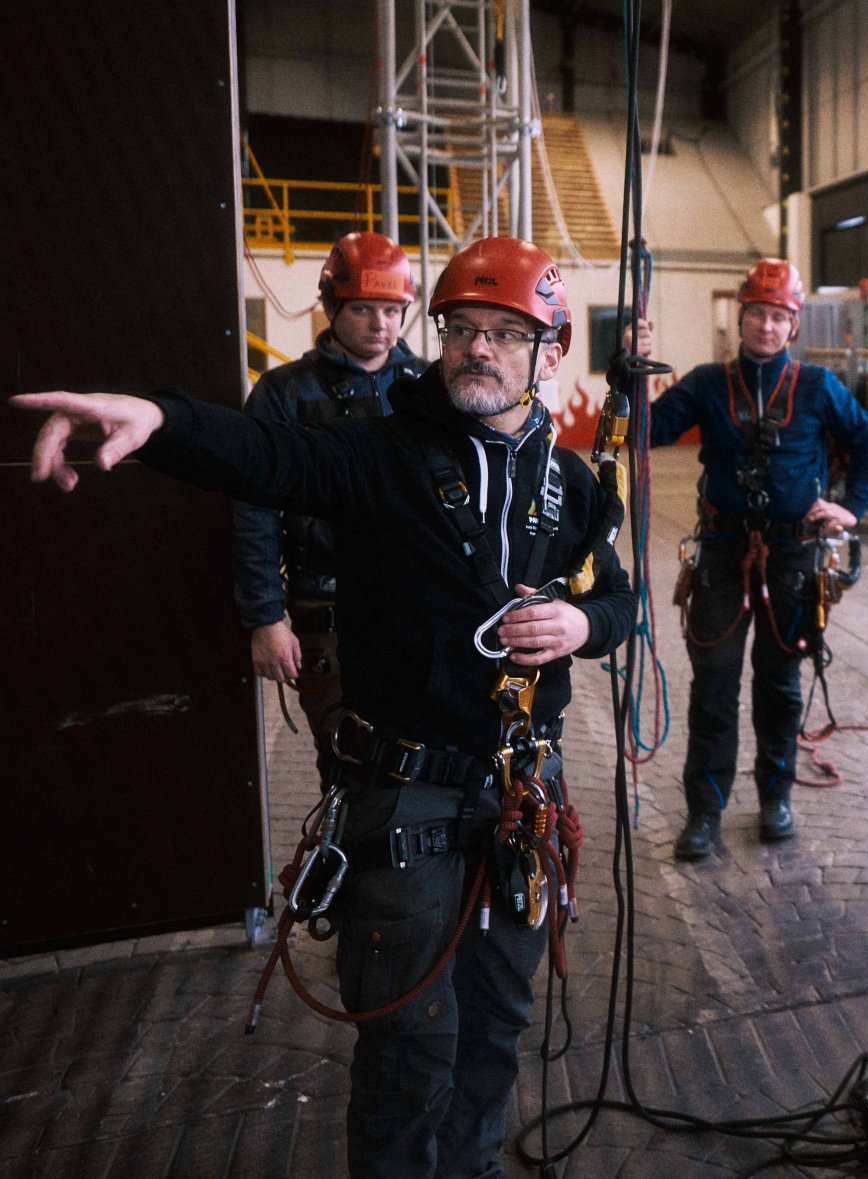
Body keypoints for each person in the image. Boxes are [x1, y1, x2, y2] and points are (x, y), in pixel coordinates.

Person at [17, 236, 637, 1179]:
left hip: (519, 793)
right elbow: (272, 455)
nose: (478, 348)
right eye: (463, 328)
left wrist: (583, 624)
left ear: (550, 352)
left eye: (506, 334)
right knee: (408, 1046)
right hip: (406, 800)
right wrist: (162, 419)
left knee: (498, 1028)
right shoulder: (381, 453)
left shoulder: (574, 482)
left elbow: (622, 598)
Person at [649, 257, 868, 859]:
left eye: (779, 316)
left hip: (792, 554)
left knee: (779, 683)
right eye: (757, 313)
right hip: (724, 551)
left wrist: (851, 506)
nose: (766, 326)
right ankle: (705, 809)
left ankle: (776, 797)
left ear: (793, 325)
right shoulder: (706, 382)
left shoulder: (815, 387)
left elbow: (866, 439)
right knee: (714, 683)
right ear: (742, 315)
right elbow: (643, 430)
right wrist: (631, 369)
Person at [235, 231, 426, 786]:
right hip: (327, 611)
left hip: (418, 606)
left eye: (392, 309)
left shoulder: (428, 390)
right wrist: (266, 618)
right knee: (353, 765)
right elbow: (253, 510)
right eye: (363, 308)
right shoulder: (284, 395)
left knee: (424, 764)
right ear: (331, 305)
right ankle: (340, 870)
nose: (380, 324)